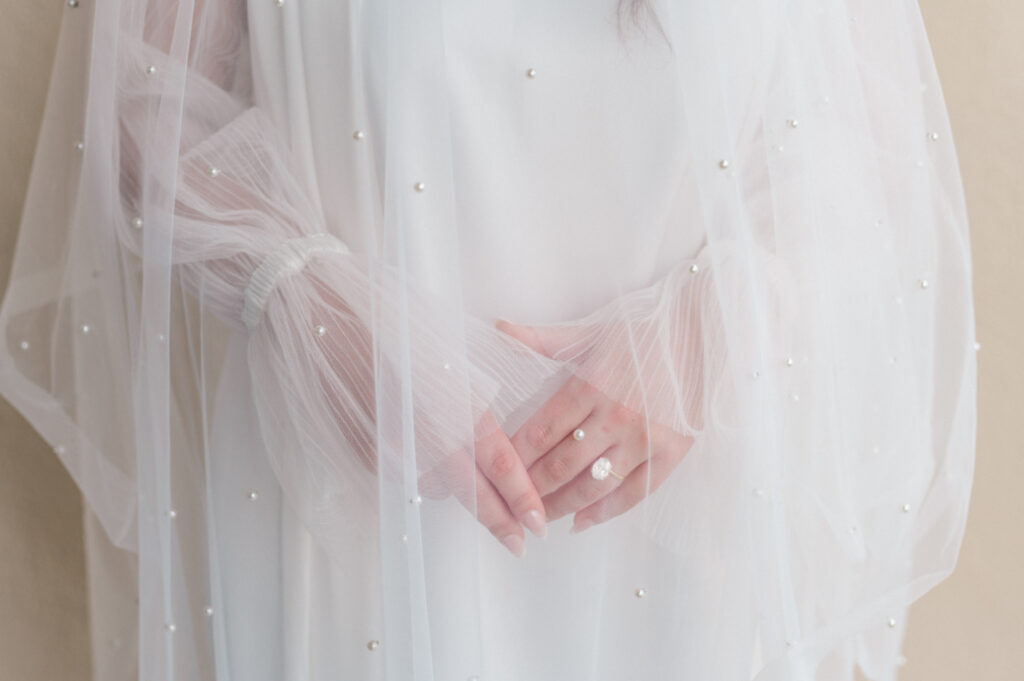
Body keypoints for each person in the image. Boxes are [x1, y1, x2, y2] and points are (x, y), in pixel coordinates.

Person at [0, 0, 976, 679]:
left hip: (681, 520)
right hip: (356, 496)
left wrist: (699, 338)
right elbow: (141, 101)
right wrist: (303, 299)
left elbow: (868, 137)